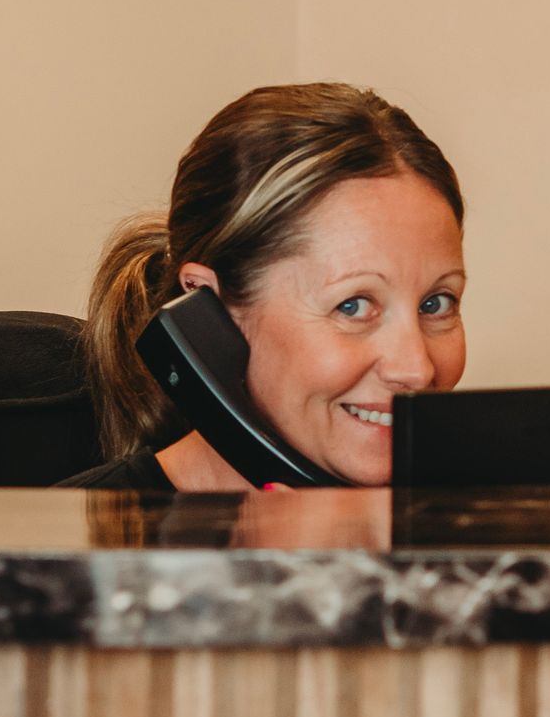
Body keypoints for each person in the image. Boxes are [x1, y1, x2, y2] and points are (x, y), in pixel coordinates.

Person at [58, 83, 467, 489]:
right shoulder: (65, 547)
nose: (416, 369)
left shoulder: (478, 523)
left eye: (436, 303)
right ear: (209, 314)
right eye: (353, 306)